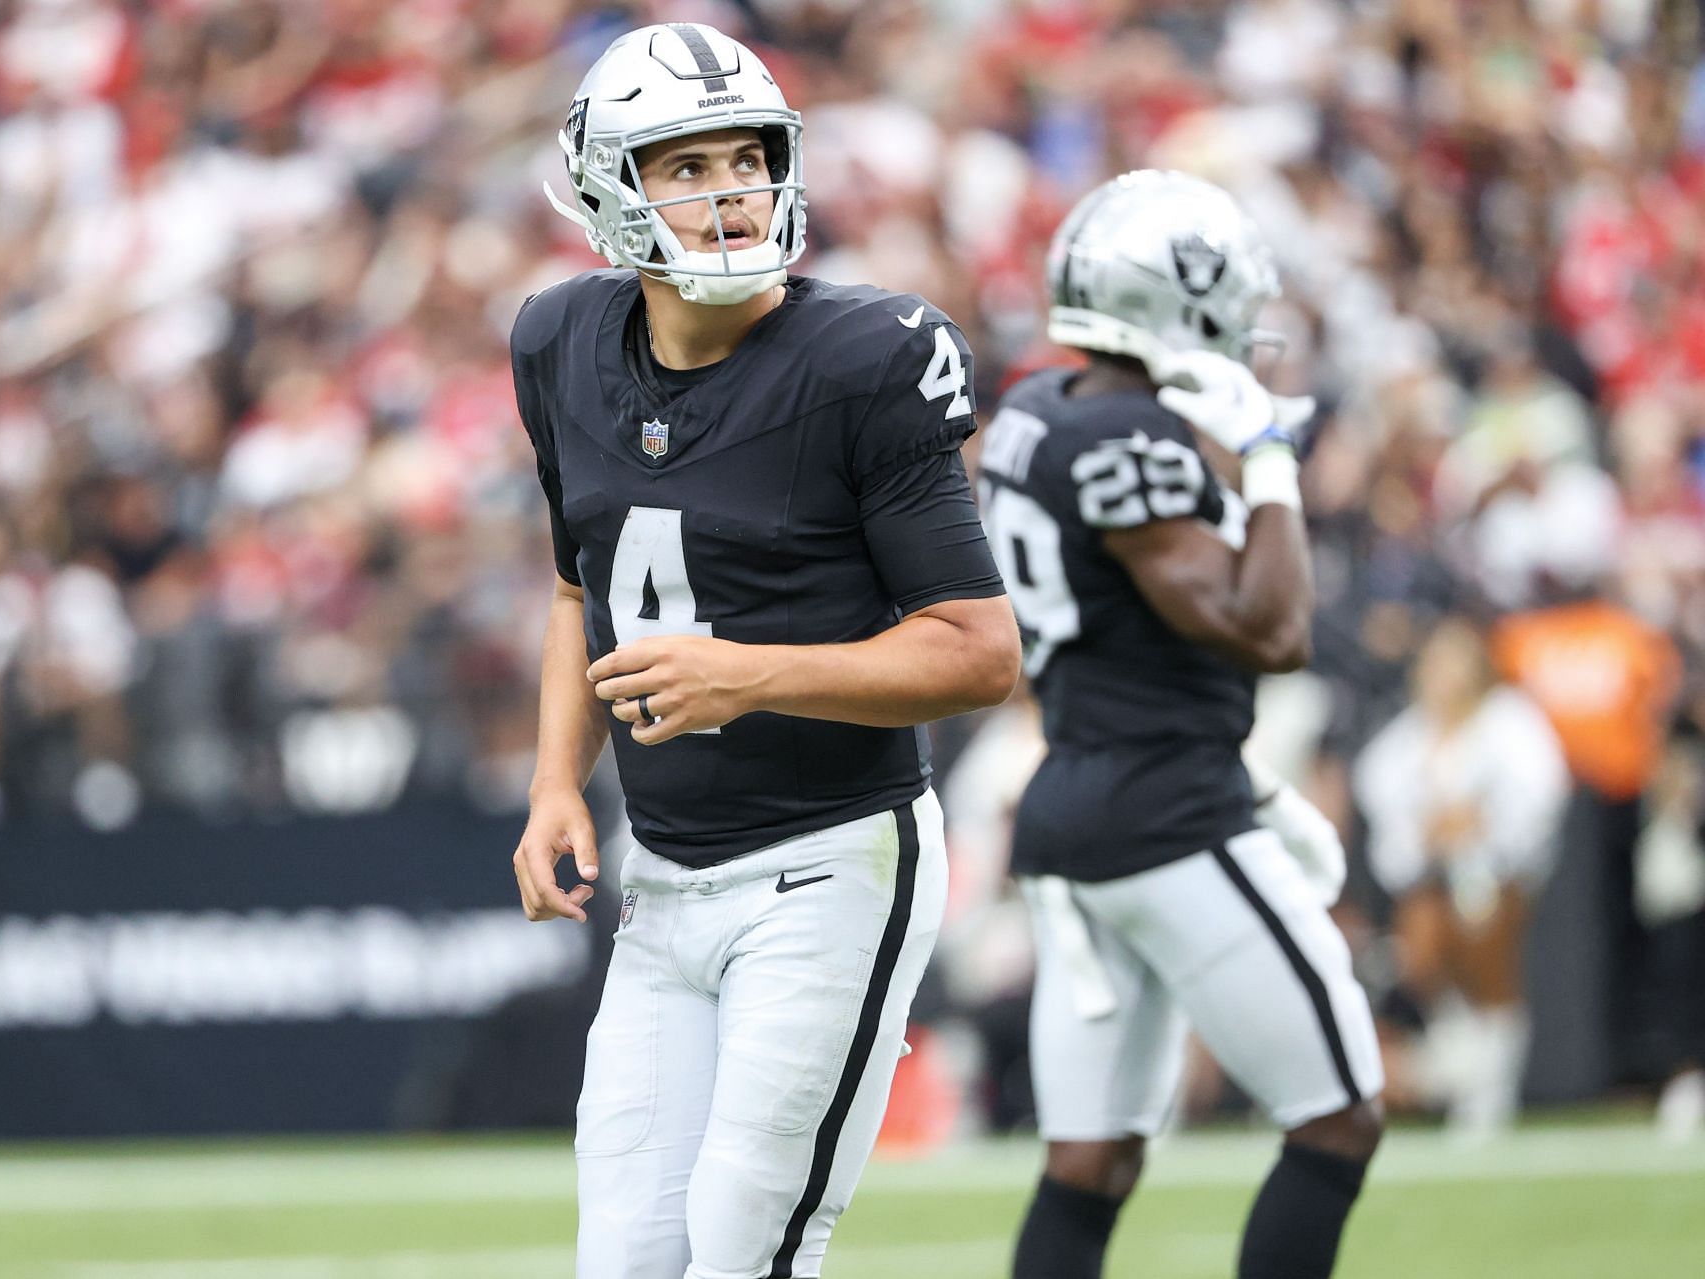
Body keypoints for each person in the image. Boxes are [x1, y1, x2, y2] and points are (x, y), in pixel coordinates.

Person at [507, 23, 1021, 1279]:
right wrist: (553, 781)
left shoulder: (865, 359)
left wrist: (744, 671)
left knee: (748, 1248)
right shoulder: (558, 341)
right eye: (686, 167)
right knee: (625, 1260)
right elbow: (580, 584)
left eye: (748, 156)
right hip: (664, 880)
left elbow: (977, 651)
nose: (731, 190)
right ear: (607, 194)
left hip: (831, 862)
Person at [976, 170, 1384, 1279]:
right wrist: (1267, 460)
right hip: (1165, 814)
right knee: (1339, 1117)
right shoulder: (1128, 438)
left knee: (1090, 1161)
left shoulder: (1034, 412)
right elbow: (1269, 626)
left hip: (1078, 802)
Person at [1353, 615, 1569, 1138]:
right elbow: (1388, 832)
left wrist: (1482, 829)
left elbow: (1540, 800)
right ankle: (1460, 1069)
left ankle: (1488, 1085)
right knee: (1421, 952)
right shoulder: (1403, 740)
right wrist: (1429, 834)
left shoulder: (1511, 723)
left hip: (1497, 876)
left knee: (1483, 940)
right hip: (1427, 884)